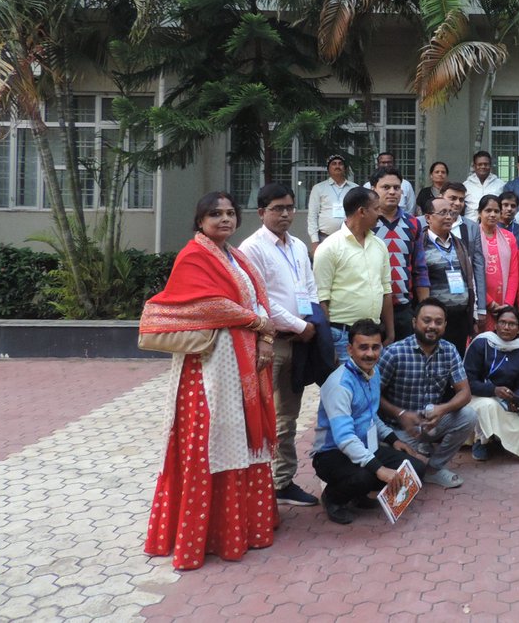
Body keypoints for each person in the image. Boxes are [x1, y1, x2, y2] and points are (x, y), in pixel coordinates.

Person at [141, 191, 278, 571]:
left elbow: (258, 300)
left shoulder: (237, 257)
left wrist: (265, 337)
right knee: (210, 441)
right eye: (215, 214)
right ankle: (201, 538)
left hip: (244, 362)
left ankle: (244, 529)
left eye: (230, 213)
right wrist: (259, 323)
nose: (225, 219)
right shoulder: (193, 257)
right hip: (209, 367)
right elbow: (209, 306)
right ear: (200, 221)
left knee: (242, 437)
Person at [238, 184, 322, 508]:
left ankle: (282, 482)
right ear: (262, 212)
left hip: (298, 343)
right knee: (259, 416)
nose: (285, 214)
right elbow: (260, 300)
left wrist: (311, 320)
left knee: (287, 418)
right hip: (267, 344)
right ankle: (253, 489)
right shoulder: (252, 248)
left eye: (289, 207)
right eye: (277, 208)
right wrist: (301, 326)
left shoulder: (298, 245)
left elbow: (309, 287)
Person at [311, 319, 428, 524]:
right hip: (331, 453)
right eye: (363, 347)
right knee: (366, 476)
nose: (370, 354)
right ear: (350, 349)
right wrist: (380, 469)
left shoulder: (373, 373)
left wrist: (393, 440)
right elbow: (344, 438)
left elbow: (371, 417)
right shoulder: (339, 385)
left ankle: (358, 495)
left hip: (364, 446)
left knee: (415, 468)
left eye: (375, 347)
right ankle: (332, 498)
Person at [377, 298, 478, 489]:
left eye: (438, 322)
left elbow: (465, 393)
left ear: (445, 325)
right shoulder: (394, 353)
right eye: (427, 320)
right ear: (414, 322)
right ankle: (394, 451)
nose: (432, 326)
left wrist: (442, 410)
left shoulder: (449, 350)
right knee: (405, 476)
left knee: (468, 416)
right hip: (399, 429)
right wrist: (400, 414)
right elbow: (372, 396)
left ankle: (434, 468)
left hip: (431, 423)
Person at [312, 187, 393, 358]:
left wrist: (390, 334)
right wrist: (328, 343)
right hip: (342, 336)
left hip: (374, 335)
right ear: (362, 211)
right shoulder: (329, 248)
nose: (380, 214)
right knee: (344, 377)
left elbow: (386, 290)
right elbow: (321, 299)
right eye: (376, 208)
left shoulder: (379, 245)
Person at [464, 305, 519, 463]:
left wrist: (518, 398)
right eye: (502, 322)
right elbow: (467, 383)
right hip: (477, 396)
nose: (506, 327)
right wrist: (493, 390)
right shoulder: (482, 343)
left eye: (512, 324)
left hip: (506, 398)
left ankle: (499, 439)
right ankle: (481, 441)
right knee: (488, 406)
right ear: (495, 325)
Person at [372, 166, 429, 344]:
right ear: (373, 189)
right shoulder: (367, 222)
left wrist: (424, 308)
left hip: (404, 308)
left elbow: (420, 269)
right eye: (386, 187)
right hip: (372, 308)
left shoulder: (413, 223)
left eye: (396, 188)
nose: (392, 192)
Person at [420, 196, 478, 354]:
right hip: (433, 320)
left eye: (451, 213)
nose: (448, 217)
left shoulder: (459, 244)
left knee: (456, 359)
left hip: (460, 318)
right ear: (428, 218)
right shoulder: (421, 244)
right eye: (443, 213)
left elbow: (470, 278)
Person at [440, 183, 488, 328]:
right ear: (440, 197)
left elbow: (478, 266)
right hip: (433, 297)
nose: (457, 203)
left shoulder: (471, 227)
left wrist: (481, 307)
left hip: (461, 300)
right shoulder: (422, 223)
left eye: (461, 200)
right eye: (453, 198)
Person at [478, 194, 519, 331]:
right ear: (479, 213)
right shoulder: (472, 236)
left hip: (505, 304)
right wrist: (490, 303)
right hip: (481, 303)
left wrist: (507, 305)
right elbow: (471, 274)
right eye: (488, 210)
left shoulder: (509, 237)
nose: (492, 214)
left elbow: (514, 273)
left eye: (496, 211)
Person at [307, 154, 355, 252]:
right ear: (328, 169)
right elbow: (312, 215)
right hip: (325, 238)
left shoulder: (354, 188)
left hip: (350, 238)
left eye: (340, 164)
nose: (337, 166)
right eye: (334, 164)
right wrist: (314, 241)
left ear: (345, 168)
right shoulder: (319, 188)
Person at [462, 151, 505, 222]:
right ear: (474, 166)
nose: (483, 167)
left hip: (493, 224)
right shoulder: (466, 185)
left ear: (490, 166)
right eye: (480, 164)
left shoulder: (500, 184)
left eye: (486, 164)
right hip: (470, 224)